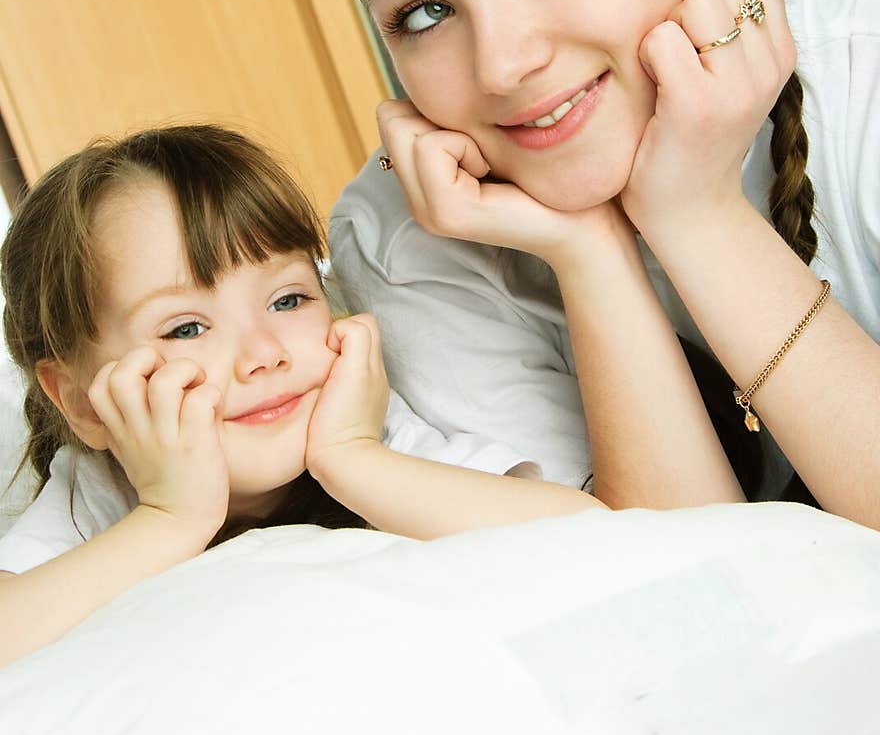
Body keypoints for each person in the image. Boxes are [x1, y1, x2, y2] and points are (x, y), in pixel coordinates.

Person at [311, 0, 880, 527]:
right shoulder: (408, 243)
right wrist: (588, 252)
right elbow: (686, 613)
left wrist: (697, 215)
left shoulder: (863, 56)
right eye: (423, 13)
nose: (503, 64)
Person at [0, 124, 744, 667]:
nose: (263, 355)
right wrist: (171, 517)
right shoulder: (94, 495)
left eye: (289, 300)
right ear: (85, 402)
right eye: (187, 326)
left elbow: (588, 536)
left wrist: (353, 459)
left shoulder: (363, 429)